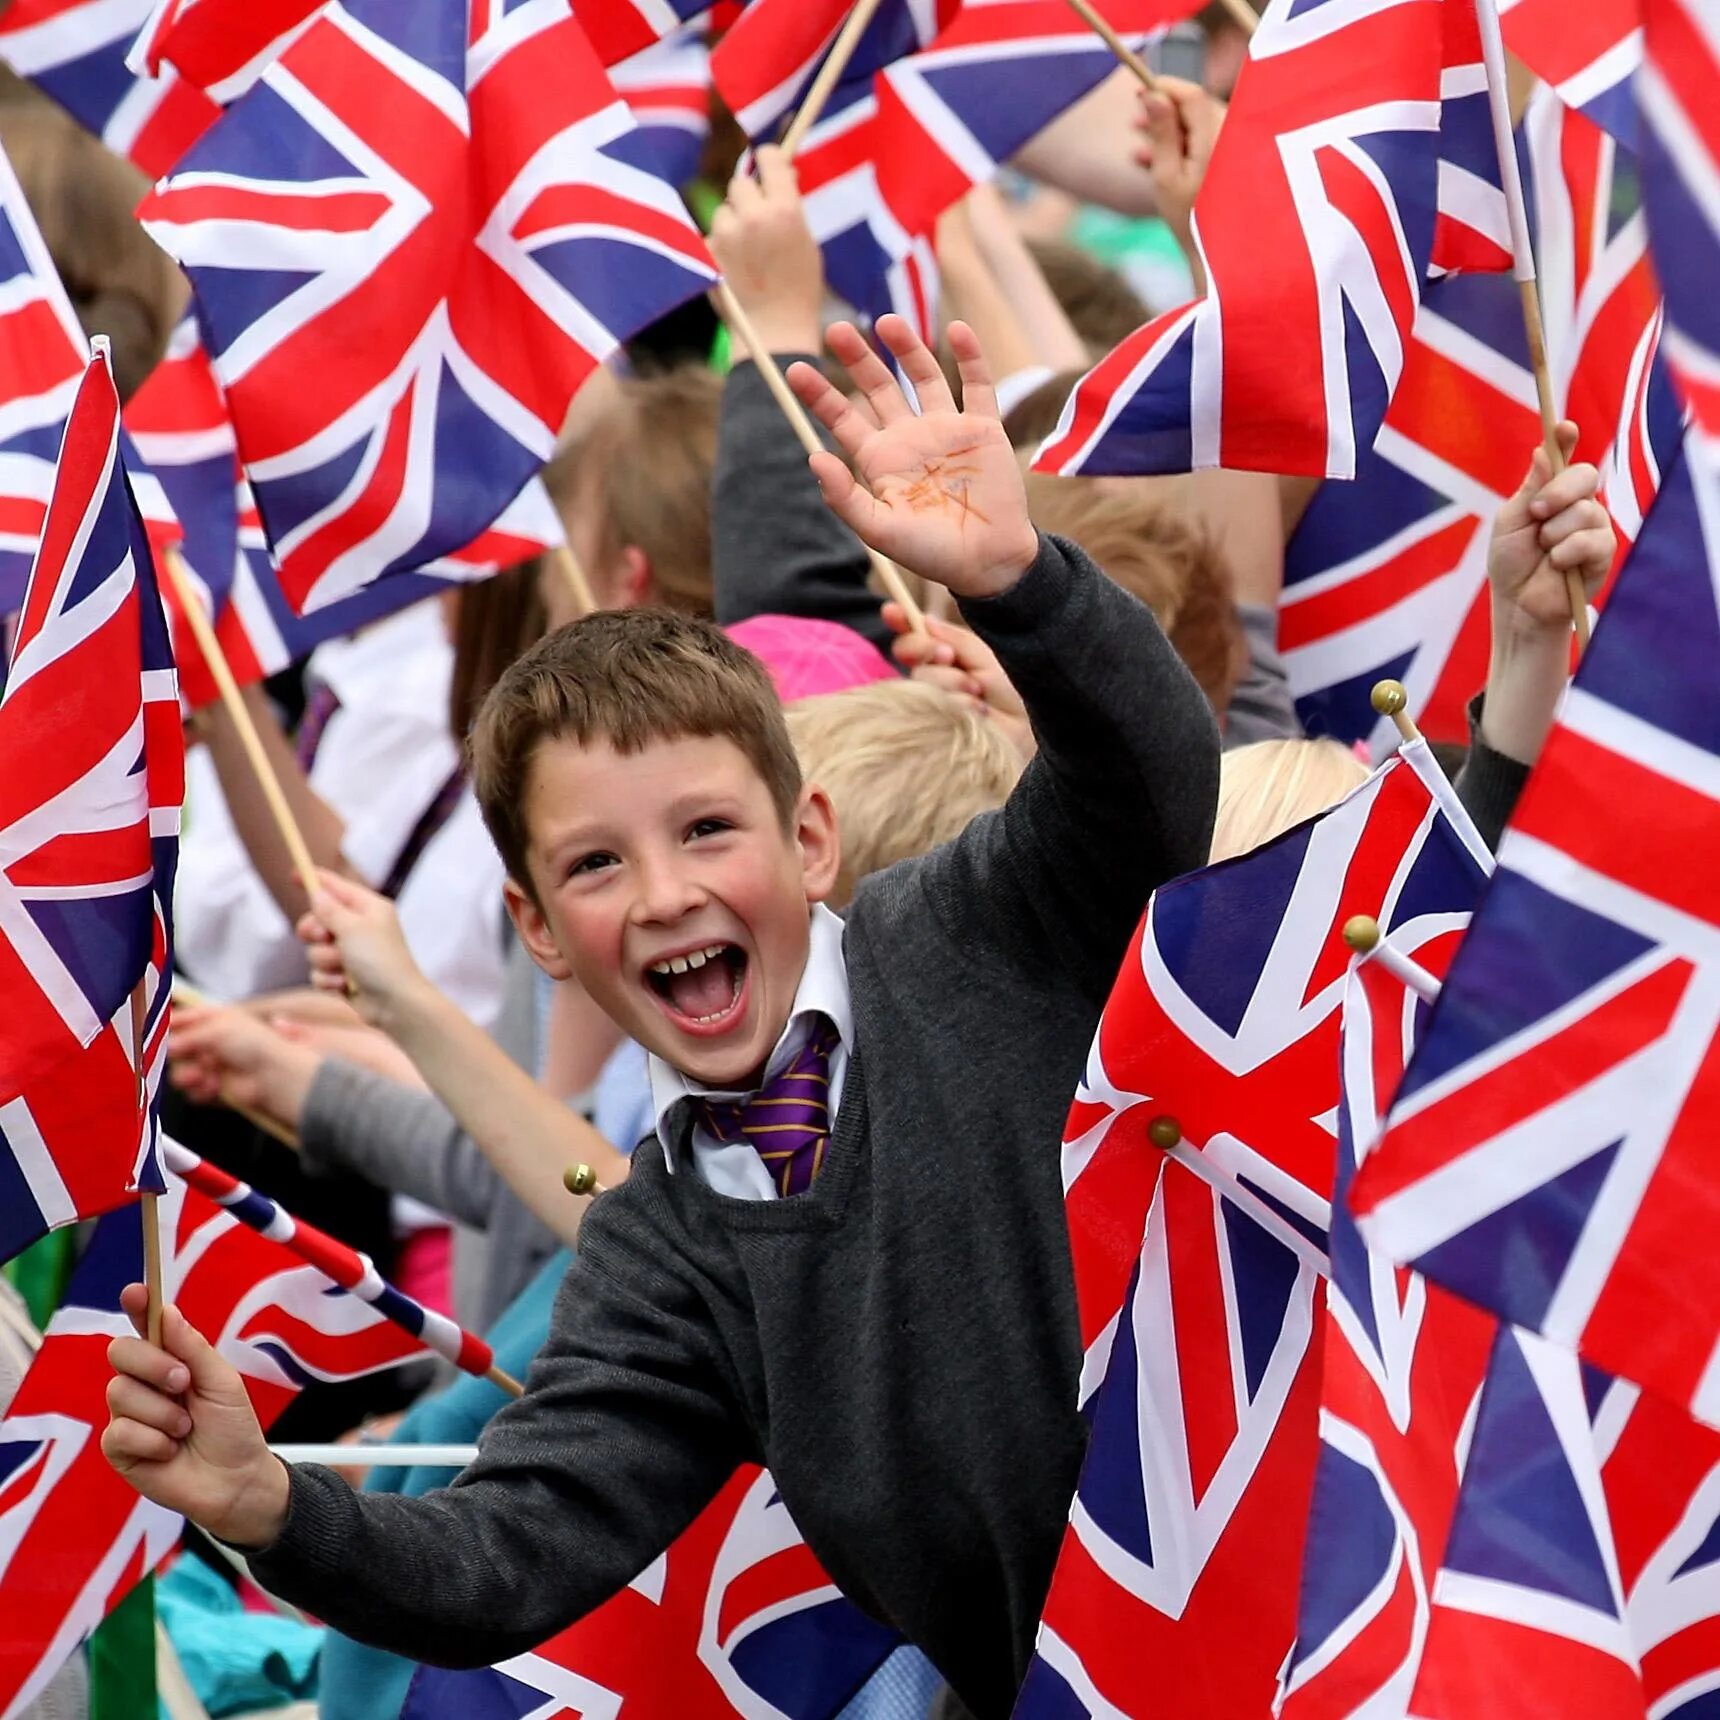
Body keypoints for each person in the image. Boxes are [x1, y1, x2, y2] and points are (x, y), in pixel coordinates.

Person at [104, 314, 1223, 1720]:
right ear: (539, 934)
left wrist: (1021, 582)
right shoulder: (666, 1245)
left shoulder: (961, 931)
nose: (664, 895)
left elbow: (1158, 794)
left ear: (810, 839)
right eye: (594, 865)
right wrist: (267, 1501)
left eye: (707, 830)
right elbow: (507, 1553)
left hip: (1302, 1628)